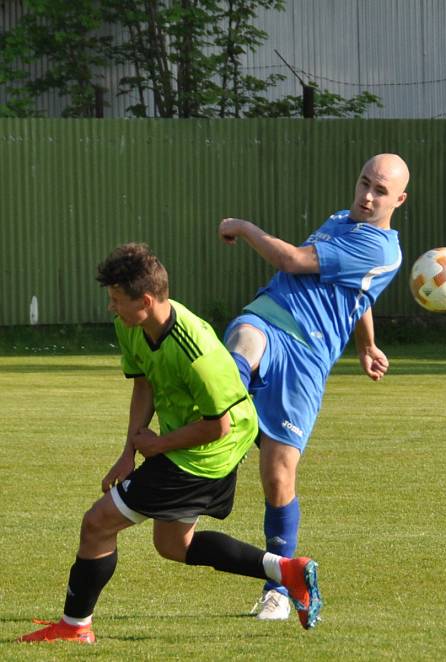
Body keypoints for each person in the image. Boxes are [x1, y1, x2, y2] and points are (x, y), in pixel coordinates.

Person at [18, 243, 322, 645]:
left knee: (97, 524)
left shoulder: (198, 352)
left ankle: (75, 627)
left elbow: (219, 427)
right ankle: (288, 572)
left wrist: (158, 445)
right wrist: (129, 451)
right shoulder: (133, 326)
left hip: (206, 452)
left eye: (116, 300)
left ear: (145, 300)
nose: (111, 308)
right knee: (173, 545)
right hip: (192, 445)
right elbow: (143, 381)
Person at [219, 153, 409, 621]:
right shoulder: (339, 221)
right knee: (242, 346)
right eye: (364, 183)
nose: (367, 196)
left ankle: (279, 587)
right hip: (270, 316)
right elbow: (356, 292)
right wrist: (368, 344)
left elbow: (292, 260)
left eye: (379, 191)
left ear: (398, 200)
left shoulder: (382, 250)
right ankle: (209, 435)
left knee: (278, 476)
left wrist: (243, 226)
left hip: (308, 358)